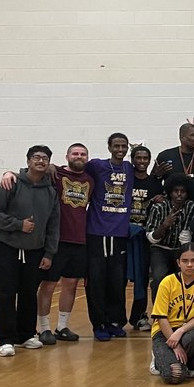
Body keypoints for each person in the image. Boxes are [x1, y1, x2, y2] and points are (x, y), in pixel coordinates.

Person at [0, 145, 60, 357]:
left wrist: (49, 253)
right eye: (36, 157)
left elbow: (54, 225)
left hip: (35, 251)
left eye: (45, 158)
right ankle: (5, 339)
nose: (40, 161)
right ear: (28, 161)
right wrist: (18, 225)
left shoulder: (50, 192)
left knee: (28, 294)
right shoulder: (11, 184)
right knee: (4, 294)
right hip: (5, 248)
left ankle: (26, 334)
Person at [34, 142, 92, 346]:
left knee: (71, 285)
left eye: (83, 154)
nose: (79, 156)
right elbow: (30, 172)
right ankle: (44, 328)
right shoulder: (54, 173)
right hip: (56, 240)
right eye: (75, 153)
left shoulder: (89, 180)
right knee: (48, 285)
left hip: (79, 240)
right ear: (67, 156)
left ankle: (62, 326)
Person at [84, 133, 134, 340]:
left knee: (117, 281)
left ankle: (115, 321)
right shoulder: (96, 165)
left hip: (120, 234)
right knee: (96, 281)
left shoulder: (129, 168)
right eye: (116, 146)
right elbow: (73, 171)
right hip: (97, 233)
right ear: (109, 147)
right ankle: (99, 324)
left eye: (124, 146)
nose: (120, 149)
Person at [148, 244, 194, 384]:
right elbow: (161, 317)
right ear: (178, 263)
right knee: (175, 375)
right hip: (164, 332)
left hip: (187, 330)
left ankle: (191, 361)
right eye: (185, 261)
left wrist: (181, 331)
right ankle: (159, 358)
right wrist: (175, 344)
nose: (189, 265)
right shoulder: (167, 282)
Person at [144, 174, 194, 303]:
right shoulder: (158, 208)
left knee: (185, 278)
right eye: (176, 191)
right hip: (160, 248)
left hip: (181, 249)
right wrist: (165, 225)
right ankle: (159, 314)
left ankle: (181, 314)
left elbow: (187, 236)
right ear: (170, 192)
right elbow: (151, 238)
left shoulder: (192, 207)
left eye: (183, 191)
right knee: (159, 277)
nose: (179, 194)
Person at [127, 144, 161, 332]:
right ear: (132, 159)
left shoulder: (155, 184)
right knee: (119, 279)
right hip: (123, 235)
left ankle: (139, 317)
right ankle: (115, 317)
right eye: (138, 158)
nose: (141, 161)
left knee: (141, 279)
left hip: (143, 237)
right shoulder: (125, 181)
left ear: (149, 160)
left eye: (144, 158)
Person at [154, 123, 194, 205]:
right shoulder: (165, 156)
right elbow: (153, 183)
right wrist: (157, 177)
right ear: (182, 138)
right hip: (171, 209)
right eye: (193, 135)